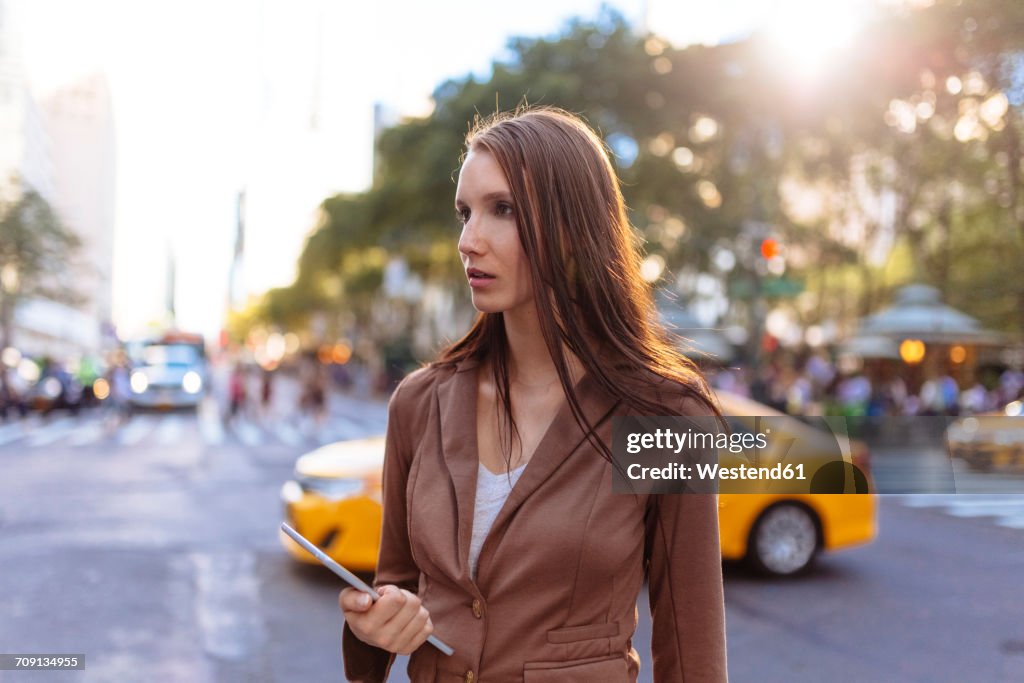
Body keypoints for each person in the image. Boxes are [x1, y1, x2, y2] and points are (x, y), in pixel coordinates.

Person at [339, 107, 728, 682]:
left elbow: (691, 649)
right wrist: (369, 625)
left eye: (504, 210)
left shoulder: (665, 415)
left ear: (574, 227)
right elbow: (394, 588)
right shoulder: (419, 402)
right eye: (465, 214)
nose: (469, 241)